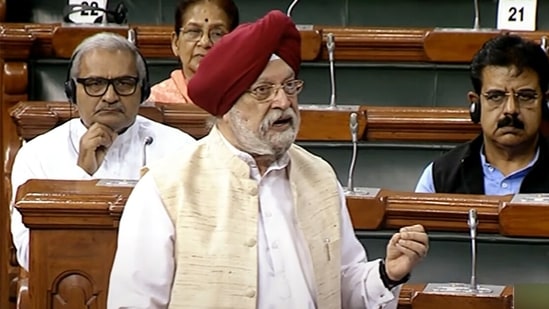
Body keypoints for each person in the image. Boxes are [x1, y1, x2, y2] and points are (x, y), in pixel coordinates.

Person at [108, 11, 429, 309]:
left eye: (290, 85)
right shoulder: (166, 188)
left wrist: (388, 273)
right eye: (263, 90)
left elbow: (341, 287)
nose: (284, 101)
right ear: (226, 105)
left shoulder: (318, 176)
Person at [10, 32, 196, 271]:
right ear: (71, 91)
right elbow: (30, 255)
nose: (110, 96)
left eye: (124, 83)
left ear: (144, 90)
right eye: (95, 84)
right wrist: (81, 176)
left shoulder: (182, 151)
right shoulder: (37, 155)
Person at [415, 34, 549, 194]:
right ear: (476, 103)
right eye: (496, 96)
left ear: (545, 102)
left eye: (525, 96)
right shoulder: (440, 176)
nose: (511, 109)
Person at [148, 0, 239, 103]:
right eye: (194, 31)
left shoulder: (247, 101)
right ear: (176, 43)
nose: (205, 42)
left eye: (217, 33)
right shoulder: (153, 102)